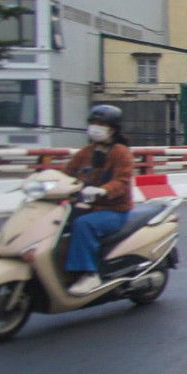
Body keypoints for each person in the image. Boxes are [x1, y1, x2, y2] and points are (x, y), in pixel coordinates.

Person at [63, 104, 135, 295]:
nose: (96, 127)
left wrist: (102, 190)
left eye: (101, 124)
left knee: (84, 225)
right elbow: (67, 173)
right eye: (93, 123)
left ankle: (89, 274)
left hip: (114, 210)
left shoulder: (120, 152)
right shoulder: (86, 152)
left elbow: (122, 181)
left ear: (112, 128)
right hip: (87, 205)